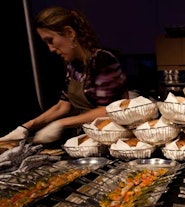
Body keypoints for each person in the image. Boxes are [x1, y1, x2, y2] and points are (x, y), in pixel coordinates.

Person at [0, 6, 128, 144]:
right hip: (89, 138)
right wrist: (27, 127)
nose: (51, 49)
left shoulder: (103, 61)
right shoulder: (74, 65)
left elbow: (108, 110)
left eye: (51, 40)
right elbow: (63, 105)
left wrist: (60, 124)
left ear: (70, 33)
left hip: (112, 139)